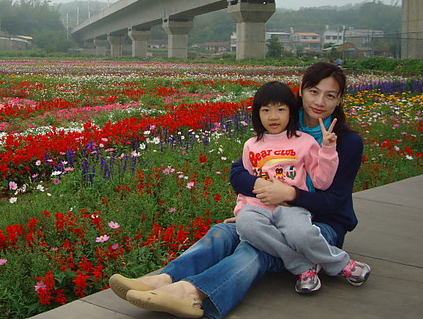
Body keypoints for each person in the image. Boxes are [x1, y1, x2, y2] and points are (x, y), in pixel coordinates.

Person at [108, 62, 369, 319]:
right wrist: (257, 198)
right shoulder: (283, 120)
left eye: (330, 95)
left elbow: (335, 200)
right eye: (314, 91)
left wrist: (290, 195)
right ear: (301, 90)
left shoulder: (346, 141)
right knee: (224, 232)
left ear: (339, 100)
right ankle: (162, 279)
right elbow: (239, 172)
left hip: (321, 226)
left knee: (255, 247)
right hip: (269, 210)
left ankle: (193, 293)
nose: (320, 101)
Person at [234, 81, 369, 294]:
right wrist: (241, 209)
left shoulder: (304, 142)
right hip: (259, 207)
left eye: (280, 110)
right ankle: (303, 266)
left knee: (302, 234)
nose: (273, 116)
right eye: (266, 110)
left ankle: (340, 264)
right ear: (257, 114)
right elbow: (247, 181)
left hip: (290, 206)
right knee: (246, 225)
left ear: (291, 112)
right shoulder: (251, 145)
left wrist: (327, 150)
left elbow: (321, 181)